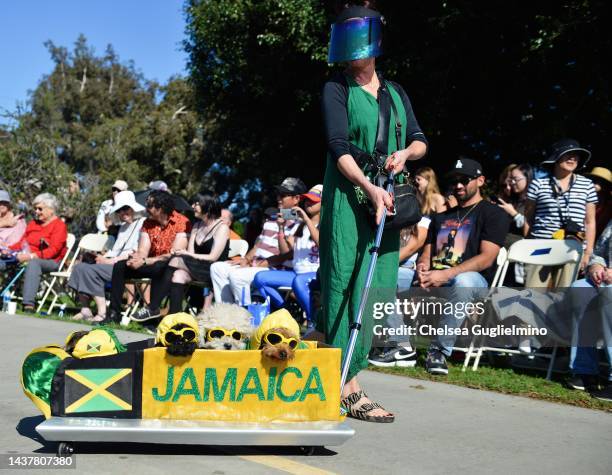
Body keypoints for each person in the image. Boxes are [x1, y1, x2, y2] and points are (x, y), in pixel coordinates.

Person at [320, 4, 427, 422]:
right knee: (344, 282)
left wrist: (406, 153)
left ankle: (337, 368)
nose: (351, 53)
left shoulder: (396, 92)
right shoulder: (336, 87)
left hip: (389, 196)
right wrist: (366, 184)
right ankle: (346, 386)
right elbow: (338, 146)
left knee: (378, 284)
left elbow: (420, 140)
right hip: (350, 196)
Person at [416, 158, 510, 375]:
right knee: (391, 276)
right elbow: (426, 253)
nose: (458, 185)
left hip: (474, 281)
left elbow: (486, 258)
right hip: (436, 277)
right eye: (455, 181)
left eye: (465, 180)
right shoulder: (441, 216)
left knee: (463, 281)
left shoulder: (493, 214)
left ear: (480, 181)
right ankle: (398, 346)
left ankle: (438, 351)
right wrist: (422, 268)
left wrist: (445, 274)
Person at [210, 177, 305, 305]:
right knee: (217, 268)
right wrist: (246, 259)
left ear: (296, 199)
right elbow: (259, 244)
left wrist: (262, 264)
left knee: (237, 276)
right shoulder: (272, 218)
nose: (278, 198)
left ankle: (245, 315)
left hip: (275, 270)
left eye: (283, 195)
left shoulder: (300, 223)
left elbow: (289, 254)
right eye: (278, 194)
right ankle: (227, 311)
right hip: (257, 265)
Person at [104, 190, 191, 324]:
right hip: (150, 263)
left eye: (150, 206)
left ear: (161, 208)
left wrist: (145, 260)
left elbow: (175, 253)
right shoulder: (147, 223)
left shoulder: (181, 222)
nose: (146, 209)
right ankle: (114, 313)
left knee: (165, 264)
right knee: (120, 266)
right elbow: (143, 250)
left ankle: (153, 309)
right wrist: (137, 259)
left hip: (168, 264)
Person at [524, 139, 598, 285]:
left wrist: (588, 253)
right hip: (540, 247)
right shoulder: (538, 184)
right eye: (567, 154)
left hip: (572, 248)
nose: (573, 158)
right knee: (533, 294)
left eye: (576, 155)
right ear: (555, 157)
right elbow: (528, 217)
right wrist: (527, 245)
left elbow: (590, 222)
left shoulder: (587, 185)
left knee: (563, 298)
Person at [68, 191, 145, 322]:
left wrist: (109, 261)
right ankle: (85, 309)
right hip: (114, 262)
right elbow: (116, 250)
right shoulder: (123, 227)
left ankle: (102, 312)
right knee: (79, 267)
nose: (122, 212)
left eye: (125, 208)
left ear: (133, 208)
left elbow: (135, 252)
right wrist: (102, 256)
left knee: (90, 271)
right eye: (119, 210)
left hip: (127, 266)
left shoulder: (143, 224)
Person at [253, 185, 322, 325]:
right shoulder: (299, 225)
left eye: (313, 201)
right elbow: (286, 253)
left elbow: (321, 243)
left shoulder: (326, 224)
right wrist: (281, 228)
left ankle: (313, 322)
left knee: (299, 281)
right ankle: (286, 310)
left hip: (315, 274)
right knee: (260, 278)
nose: (308, 203)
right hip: (297, 274)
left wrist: (306, 220)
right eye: (307, 200)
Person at [566, 219, 611, 402]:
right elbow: (599, 252)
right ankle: (585, 370)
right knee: (580, 289)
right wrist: (596, 267)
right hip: (606, 278)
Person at [166, 193, 230, 313]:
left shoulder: (222, 228)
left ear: (208, 205)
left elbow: (213, 257)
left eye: (197, 203)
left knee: (174, 260)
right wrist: (183, 253)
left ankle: (153, 307)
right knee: (178, 275)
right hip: (196, 267)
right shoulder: (196, 225)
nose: (192, 206)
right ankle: (175, 318)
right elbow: (190, 253)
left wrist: (188, 255)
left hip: (212, 270)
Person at [9, 193, 68, 312]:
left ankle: (28, 305)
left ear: (51, 209)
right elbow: (21, 243)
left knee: (34, 263)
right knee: (4, 259)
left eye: (40, 208)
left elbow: (53, 250)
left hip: (51, 261)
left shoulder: (59, 226)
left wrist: (31, 256)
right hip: (27, 256)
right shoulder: (33, 224)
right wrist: (8, 250)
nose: (36, 211)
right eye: (35, 208)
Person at [496, 163, 532, 244]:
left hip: (520, 247)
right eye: (511, 179)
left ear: (527, 178)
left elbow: (532, 227)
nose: (512, 182)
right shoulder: (513, 199)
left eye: (516, 179)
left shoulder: (533, 200)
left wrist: (514, 213)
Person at [584, 166, 611, 240]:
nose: (597, 184)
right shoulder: (580, 194)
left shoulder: (608, 201)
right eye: (594, 180)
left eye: (602, 181)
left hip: (597, 237)